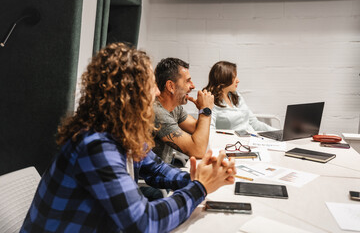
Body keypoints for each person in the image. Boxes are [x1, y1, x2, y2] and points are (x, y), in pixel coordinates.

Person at [20, 43, 236, 233]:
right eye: (150, 86)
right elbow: (144, 223)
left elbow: (157, 169)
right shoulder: (95, 145)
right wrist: (199, 187)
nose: (156, 93)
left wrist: (200, 177)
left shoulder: (121, 132)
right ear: (129, 94)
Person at [153, 58, 214, 163]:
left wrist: (201, 110)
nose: (193, 86)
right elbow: (198, 150)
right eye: (187, 81)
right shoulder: (157, 112)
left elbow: (198, 130)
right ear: (171, 86)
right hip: (151, 177)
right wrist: (205, 111)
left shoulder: (175, 108)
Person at [203, 61, 276, 133]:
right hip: (233, 143)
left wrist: (278, 132)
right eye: (234, 77)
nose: (238, 80)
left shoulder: (236, 96)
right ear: (224, 78)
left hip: (251, 139)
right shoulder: (210, 102)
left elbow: (254, 123)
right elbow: (210, 131)